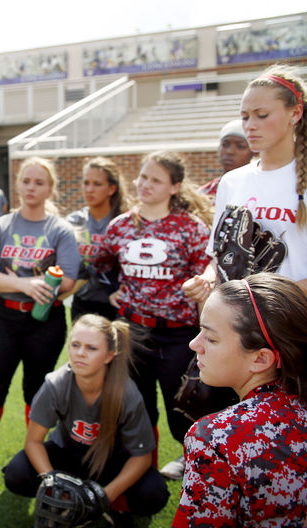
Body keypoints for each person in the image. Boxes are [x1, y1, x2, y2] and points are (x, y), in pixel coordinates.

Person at [91, 151, 221, 481]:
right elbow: (101, 266)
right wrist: (111, 291)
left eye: (156, 180)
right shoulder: (120, 226)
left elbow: (208, 278)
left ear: (175, 187)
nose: (145, 184)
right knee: (138, 408)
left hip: (179, 335)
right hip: (133, 332)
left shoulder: (191, 229)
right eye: (143, 177)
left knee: (183, 412)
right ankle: (143, 476)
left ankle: (197, 475)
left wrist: (203, 287)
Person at [174, 273, 307, 528]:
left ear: (261, 359)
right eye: (200, 331)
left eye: (211, 338)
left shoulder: (215, 439)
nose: (194, 344)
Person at [0, 156, 80, 474]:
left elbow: (68, 279)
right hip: (4, 317)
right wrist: (25, 284)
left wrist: (48, 284)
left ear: (50, 188)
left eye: (39, 182)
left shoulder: (61, 229)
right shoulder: (1, 225)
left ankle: (32, 453)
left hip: (45, 321)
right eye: (26, 181)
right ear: (18, 185)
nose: (31, 188)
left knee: (36, 389)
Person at [184, 65, 307, 327]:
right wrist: (206, 280)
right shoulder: (232, 181)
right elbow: (219, 259)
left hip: (296, 330)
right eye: (245, 117)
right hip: (237, 329)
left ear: (295, 113)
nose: (250, 126)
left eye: (261, 115)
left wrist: (263, 300)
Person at [3, 314, 169, 528]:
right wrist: (52, 481)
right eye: (75, 345)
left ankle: (117, 507)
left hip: (111, 463)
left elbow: (142, 458)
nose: (80, 353)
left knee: (153, 493)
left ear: (109, 355)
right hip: (69, 456)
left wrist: (103, 497)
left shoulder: (126, 393)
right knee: (16, 473)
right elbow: (33, 442)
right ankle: (63, 499)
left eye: (91, 348)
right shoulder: (56, 384)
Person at [64, 157, 129, 323]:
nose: (89, 189)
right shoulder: (73, 222)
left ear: (112, 188)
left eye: (97, 184)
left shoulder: (125, 223)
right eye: (86, 183)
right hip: (82, 304)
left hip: (118, 305)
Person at [197, 118, 255, 198]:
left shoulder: (260, 189)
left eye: (240, 146)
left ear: (254, 152)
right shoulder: (204, 194)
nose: (230, 151)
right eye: (225, 144)